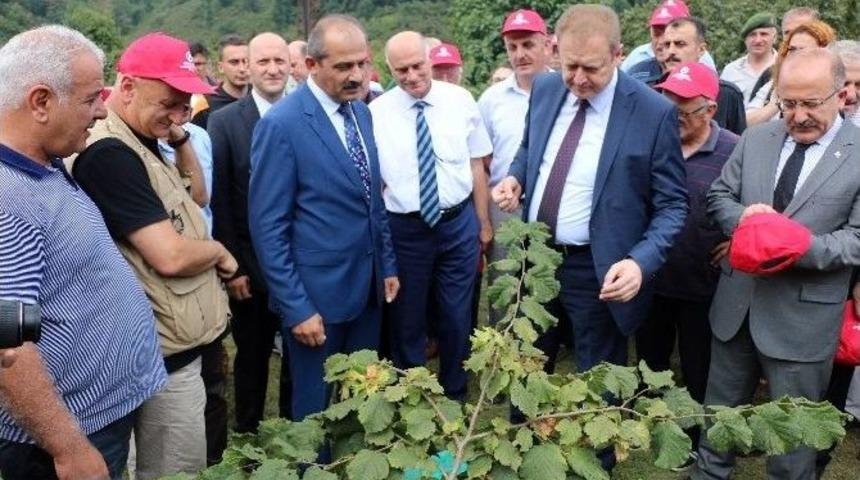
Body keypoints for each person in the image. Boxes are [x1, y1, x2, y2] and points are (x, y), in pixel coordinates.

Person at [0, 25, 166, 480]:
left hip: (97, 418)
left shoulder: (43, 164)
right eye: (91, 98)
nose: (100, 111)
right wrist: (68, 448)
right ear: (40, 102)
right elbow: (7, 348)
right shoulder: (9, 199)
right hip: (65, 436)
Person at [68, 33, 236, 478]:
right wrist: (219, 251)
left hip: (173, 344)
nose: (179, 113)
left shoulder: (146, 139)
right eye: (170, 101)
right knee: (173, 468)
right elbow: (170, 256)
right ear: (126, 86)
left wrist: (178, 137)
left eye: (187, 104)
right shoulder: (110, 155)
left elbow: (198, 197)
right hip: (160, 355)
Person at [492, 3, 687, 383]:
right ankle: (524, 437)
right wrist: (517, 177)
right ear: (555, 50)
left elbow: (673, 205)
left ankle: (598, 444)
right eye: (570, 66)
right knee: (526, 369)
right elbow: (531, 148)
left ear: (618, 55)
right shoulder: (546, 88)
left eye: (591, 69)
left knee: (597, 382)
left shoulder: (652, 112)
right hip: (536, 258)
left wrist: (639, 262)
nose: (578, 79)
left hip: (598, 267)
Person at [691, 47, 860, 480]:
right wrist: (744, 221)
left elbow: (856, 241)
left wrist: (789, 245)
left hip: (803, 319)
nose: (798, 115)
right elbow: (719, 199)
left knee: (791, 441)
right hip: (737, 307)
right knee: (718, 423)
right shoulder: (756, 139)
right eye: (788, 103)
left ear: (841, 95)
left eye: (810, 103)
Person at [248, 14, 399, 422]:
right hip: (317, 300)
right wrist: (296, 307)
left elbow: (372, 197)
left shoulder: (362, 113)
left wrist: (385, 264)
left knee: (361, 398)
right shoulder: (282, 125)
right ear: (312, 66)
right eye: (343, 67)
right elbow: (268, 228)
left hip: (367, 292)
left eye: (362, 64)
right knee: (315, 411)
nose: (357, 75)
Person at [370, 31, 492, 400]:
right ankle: (414, 399)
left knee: (457, 317)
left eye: (417, 66)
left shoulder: (460, 100)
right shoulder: (376, 112)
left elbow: (477, 166)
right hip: (406, 231)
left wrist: (483, 222)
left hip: (457, 225)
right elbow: (375, 185)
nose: (411, 76)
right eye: (401, 70)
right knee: (408, 320)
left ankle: (455, 394)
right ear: (389, 69)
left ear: (430, 59)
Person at [637, 62, 739, 449]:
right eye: (667, 108)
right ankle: (649, 427)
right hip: (652, 278)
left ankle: (699, 437)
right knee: (651, 361)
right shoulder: (651, 141)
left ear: (710, 110)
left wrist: (737, 241)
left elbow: (759, 202)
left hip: (703, 284)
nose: (672, 119)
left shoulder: (733, 149)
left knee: (700, 367)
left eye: (683, 112)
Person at [208, 32, 292, 433]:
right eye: (264, 62)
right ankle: (248, 430)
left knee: (298, 353)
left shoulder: (302, 115)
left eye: (280, 60)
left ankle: (297, 429)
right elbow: (220, 200)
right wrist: (234, 268)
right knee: (253, 355)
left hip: (298, 262)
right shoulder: (224, 122)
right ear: (248, 68)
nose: (273, 69)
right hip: (248, 265)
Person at [478, 8, 551, 324]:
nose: (520, 54)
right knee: (505, 279)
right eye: (513, 46)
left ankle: (544, 348)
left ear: (545, 44)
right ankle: (501, 345)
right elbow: (481, 157)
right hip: (506, 205)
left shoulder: (565, 92)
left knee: (546, 276)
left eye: (528, 44)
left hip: (551, 203)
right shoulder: (492, 99)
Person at [636, 17, 746, 135]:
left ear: (701, 49)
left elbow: (740, 146)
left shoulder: (727, 95)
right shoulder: (650, 92)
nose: (671, 51)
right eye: (667, 45)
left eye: (680, 44)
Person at [746, 20, 837, 126]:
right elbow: (744, 123)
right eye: (792, 49)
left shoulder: (835, 89)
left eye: (804, 50)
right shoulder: (774, 84)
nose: (796, 55)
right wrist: (775, 104)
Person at [621, 0, 716, 75]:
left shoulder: (704, 59)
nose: (663, 41)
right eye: (657, 34)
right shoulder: (636, 59)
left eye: (679, 43)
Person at [191, 34, 249, 129]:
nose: (242, 69)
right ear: (220, 67)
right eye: (234, 62)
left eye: (246, 61)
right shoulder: (204, 105)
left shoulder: (260, 98)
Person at [720, 12, 778, 106]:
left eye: (764, 34)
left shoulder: (786, 66)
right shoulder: (731, 71)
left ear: (774, 38)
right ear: (745, 39)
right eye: (752, 35)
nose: (758, 40)